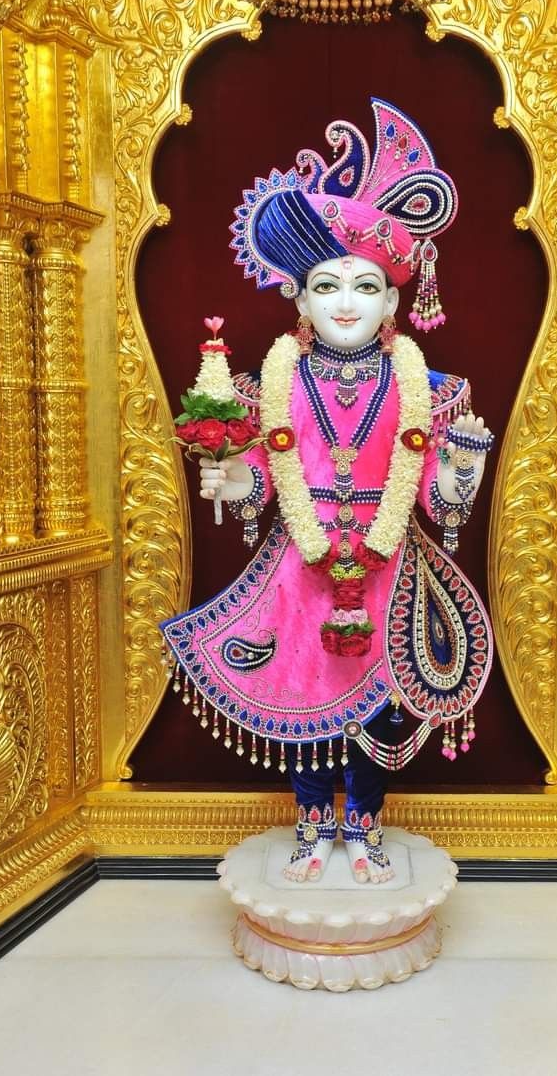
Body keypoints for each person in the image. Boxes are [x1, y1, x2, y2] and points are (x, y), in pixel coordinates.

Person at [161, 99, 493, 885]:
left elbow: (445, 507)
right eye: (328, 284)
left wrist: (463, 466)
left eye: (366, 284)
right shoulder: (270, 383)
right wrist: (234, 478)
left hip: (386, 561)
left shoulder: (430, 388)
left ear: (393, 302)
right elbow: (254, 494)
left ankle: (365, 822)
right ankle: (313, 823)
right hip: (301, 561)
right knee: (303, 692)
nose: (347, 300)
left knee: (376, 697)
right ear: (300, 301)